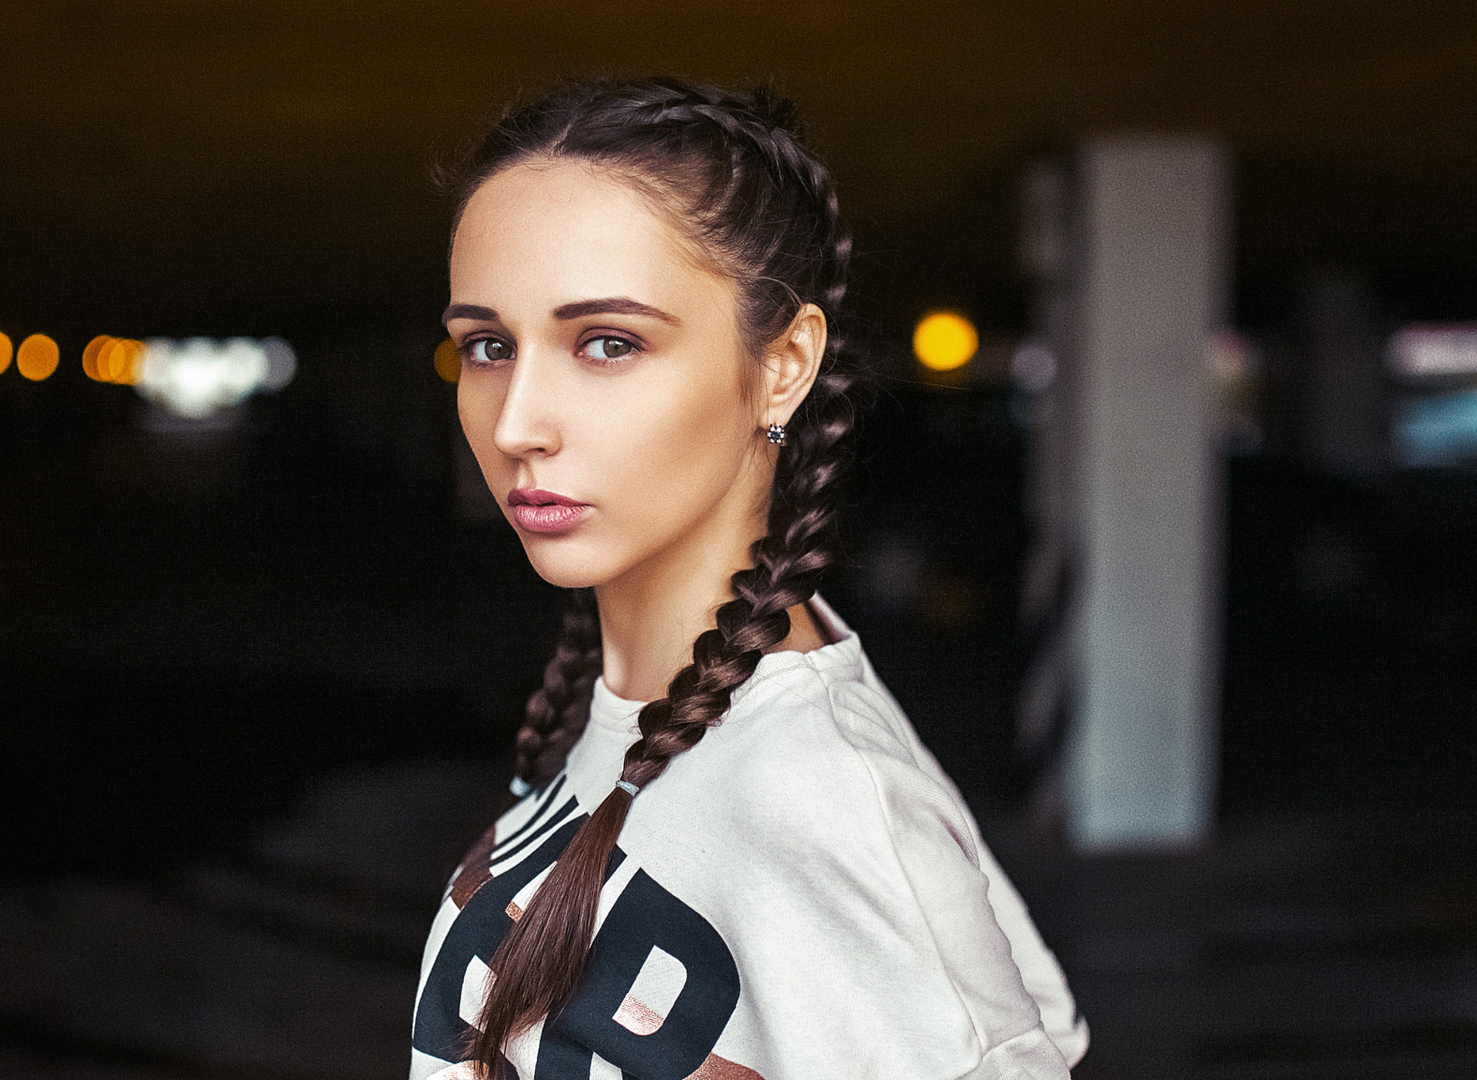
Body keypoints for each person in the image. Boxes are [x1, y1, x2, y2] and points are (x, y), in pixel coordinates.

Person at [411, 77, 1088, 1080]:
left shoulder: (817, 796)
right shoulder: (637, 709)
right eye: (489, 347)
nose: (515, 425)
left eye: (607, 343)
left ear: (781, 367)